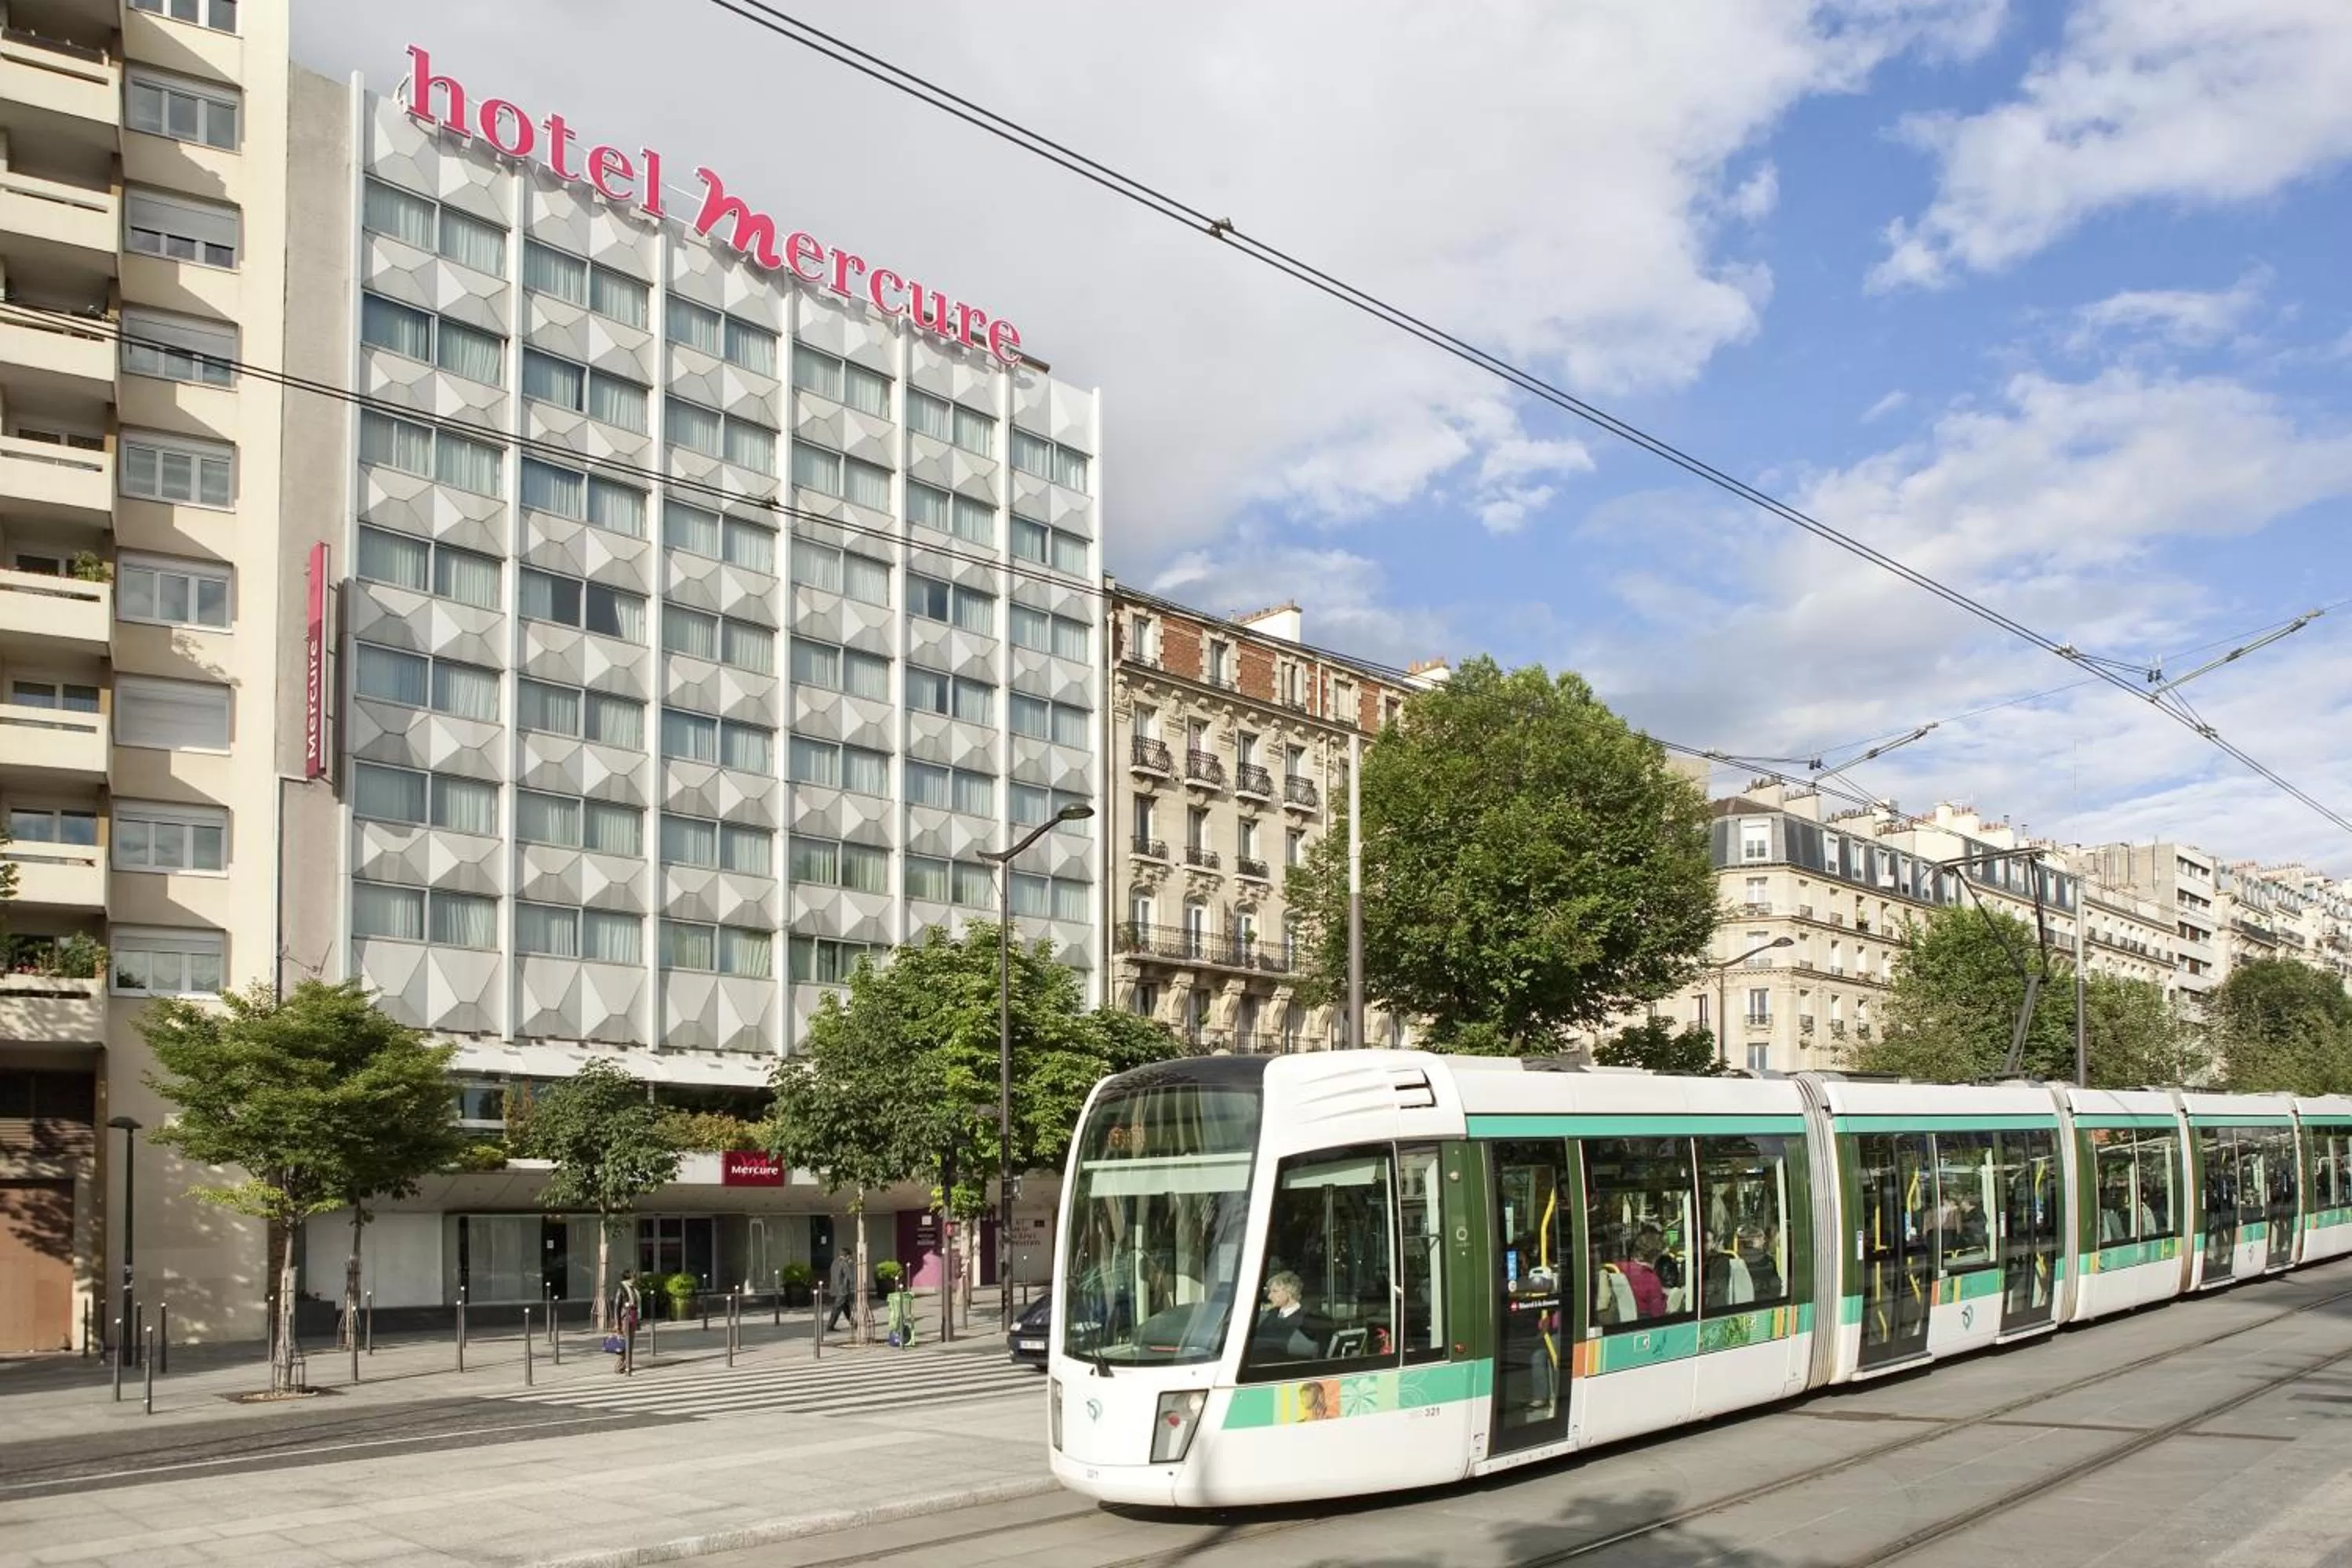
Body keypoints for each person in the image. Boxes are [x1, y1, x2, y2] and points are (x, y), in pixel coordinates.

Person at [1250, 1270, 1319, 1361]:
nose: (1270, 1296)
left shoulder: (1308, 1320)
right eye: (1270, 1291)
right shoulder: (1268, 1315)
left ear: (1290, 1292)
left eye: (1275, 1291)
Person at [612, 1271, 641, 1375]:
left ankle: (627, 1365)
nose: (636, 1278)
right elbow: (617, 1306)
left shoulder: (633, 1288)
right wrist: (617, 1323)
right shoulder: (622, 1288)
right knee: (625, 1343)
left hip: (633, 1316)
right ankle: (620, 1366)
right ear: (629, 1277)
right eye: (634, 1276)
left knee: (630, 1343)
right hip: (625, 1317)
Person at [826, 1250, 858, 1332]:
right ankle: (830, 1326)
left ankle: (853, 1323)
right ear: (847, 1256)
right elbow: (850, 1277)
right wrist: (851, 1266)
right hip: (843, 1290)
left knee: (846, 1308)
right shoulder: (844, 1264)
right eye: (850, 1257)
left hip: (836, 1289)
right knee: (837, 1309)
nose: (850, 1259)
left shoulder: (834, 1262)